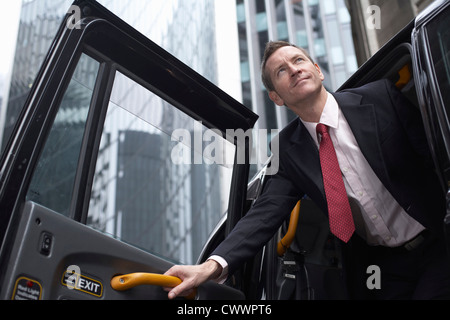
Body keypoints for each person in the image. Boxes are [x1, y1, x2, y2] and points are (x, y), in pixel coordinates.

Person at [165, 41, 450, 300]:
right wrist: (210, 267)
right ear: (276, 97)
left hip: (437, 238)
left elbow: (435, 153)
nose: (293, 70)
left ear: (317, 70)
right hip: (381, 267)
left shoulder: (380, 97)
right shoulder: (288, 151)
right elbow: (263, 215)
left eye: (298, 61)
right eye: (281, 71)